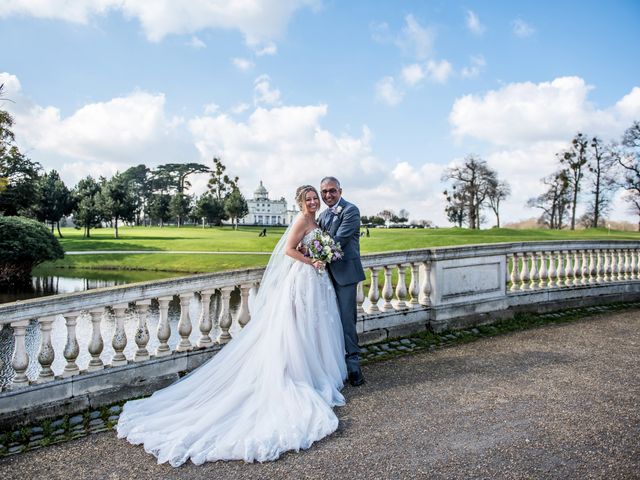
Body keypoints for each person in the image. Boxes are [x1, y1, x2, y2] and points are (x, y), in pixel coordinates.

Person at [117, 185, 347, 466]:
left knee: (314, 325)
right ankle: (298, 372)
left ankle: (317, 368)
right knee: (297, 326)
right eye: (309, 198)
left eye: (315, 198)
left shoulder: (317, 220)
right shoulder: (301, 219)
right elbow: (288, 249)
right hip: (304, 275)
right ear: (300, 201)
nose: (313, 201)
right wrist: (312, 259)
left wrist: (320, 256)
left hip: (315, 279)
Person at [318, 176, 367, 386]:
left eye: (332, 191)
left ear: (340, 191)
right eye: (324, 192)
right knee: (327, 319)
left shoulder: (351, 210)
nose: (328, 195)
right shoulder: (321, 215)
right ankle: (333, 363)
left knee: (347, 319)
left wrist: (312, 253)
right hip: (324, 275)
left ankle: (353, 364)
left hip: (345, 274)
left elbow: (337, 241)